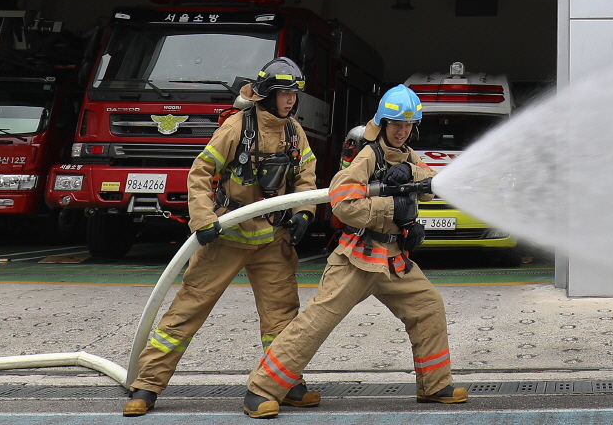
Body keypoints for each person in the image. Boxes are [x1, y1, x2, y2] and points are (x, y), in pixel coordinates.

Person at [239, 83, 467, 418]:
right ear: (383, 123)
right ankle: (260, 389)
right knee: (317, 322)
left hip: (393, 260)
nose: (402, 131)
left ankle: (435, 385)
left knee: (428, 307)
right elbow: (342, 202)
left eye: (408, 125)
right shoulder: (368, 155)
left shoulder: (408, 156)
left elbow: (428, 184)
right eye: (396, 124)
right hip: (357, 258)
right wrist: (392, 210)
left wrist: (410, 177)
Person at [122, 58, 321, 417]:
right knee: (189, 309)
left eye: (295, 94)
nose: (291, 100)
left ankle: (286, 383)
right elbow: (200, 172)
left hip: (272, 240)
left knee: (282, 317)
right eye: (285, 94)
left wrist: (303, 213)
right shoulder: (236, 127)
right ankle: (147, 385)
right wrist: (203, 219)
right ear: (267, 94)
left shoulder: (294, 132)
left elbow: (306, 177)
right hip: (227, 236)